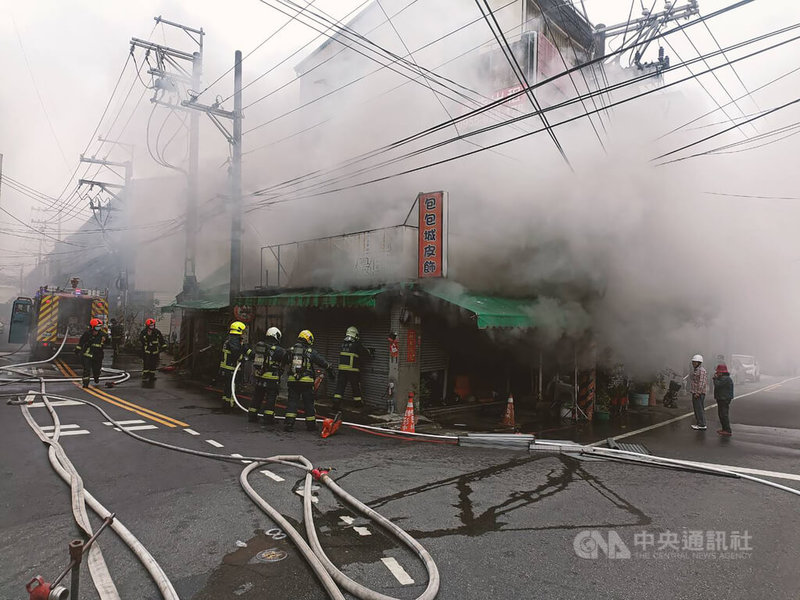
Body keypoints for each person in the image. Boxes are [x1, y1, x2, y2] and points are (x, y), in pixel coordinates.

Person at [284, 329, 335, 432]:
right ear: (308, 339)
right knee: (308, 404)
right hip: (306, 382)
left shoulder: (290, 350)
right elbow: (322, 362)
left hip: (292, 381)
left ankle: (289, 423)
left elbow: (283, 360)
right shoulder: (310, 351)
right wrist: (330, 369)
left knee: (292, 402)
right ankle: (311, 425)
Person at [249, 327, 287, 425]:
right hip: (272, 378)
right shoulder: (279, 350)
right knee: (271, 398)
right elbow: (286, 358)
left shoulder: (261, 346)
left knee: (257, 396)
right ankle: (268, 418)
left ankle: (252, 415)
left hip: (260, 377)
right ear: (276, 336)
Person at [332, 326, 374, 411]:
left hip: (342, 369)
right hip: (353, 370)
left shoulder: (343, 344)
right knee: (355, 387)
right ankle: (358, 403)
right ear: (355, 334)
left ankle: (336, 402)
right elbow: (364, 353)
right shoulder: (356, 344)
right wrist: (370, 352)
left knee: (340, 386)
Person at [218, 321, 252, 412]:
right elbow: (236, 353)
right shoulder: (234, 340)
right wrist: (243, 358)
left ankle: (226, 403)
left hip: (226, 368)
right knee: (232, 387)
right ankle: (231, 405)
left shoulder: (229, 338)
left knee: (227, 388)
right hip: (231, 369)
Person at [75, 318, 109, 387]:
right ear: (92, 327)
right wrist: (77, 350)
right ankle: (85, 383)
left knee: (96, 369)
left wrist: (106, 340)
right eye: (97, 327)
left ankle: (96, 377)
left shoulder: (103, 335)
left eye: (99, 327)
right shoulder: (87, 334)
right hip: (88, 354)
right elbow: (81, 342)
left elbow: (108, 342)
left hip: (98, 355)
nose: (98, 329)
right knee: (87, 370)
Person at [139, 318, 167, 385]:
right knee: (146, 363)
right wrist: (148, 336)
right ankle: (145, 374)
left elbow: (161, 339)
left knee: (153, 363)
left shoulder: (157, 332)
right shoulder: (144, 332)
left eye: (153, 325)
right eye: (150, 325)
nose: (152, 326)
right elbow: (141, 339)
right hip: (147, 350)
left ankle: (152, 375)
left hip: (155, 351)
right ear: (147, 325)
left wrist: (164, 346)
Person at [713, 363, 735, 437]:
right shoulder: (724, 378)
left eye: (718, 371)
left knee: (723, 414)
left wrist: (715, 378)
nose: (717, 373)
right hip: (722, 398)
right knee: (721, 414)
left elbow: (717, 385)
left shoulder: (725, 378)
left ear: (722, 372)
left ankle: (727, 430)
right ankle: (724, 429)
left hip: (724, 398)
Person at [689, 354, 708, 430]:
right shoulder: (696, 370)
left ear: (699, 362)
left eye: (695, 362)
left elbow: (702, 382)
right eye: (693, 362)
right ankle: (699, 423)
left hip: (698, 393)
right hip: (695, 392)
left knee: (699, 408)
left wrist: (698, 392)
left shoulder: (702, 370)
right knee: (697, 408)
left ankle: (702, 424)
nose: (693, 363)